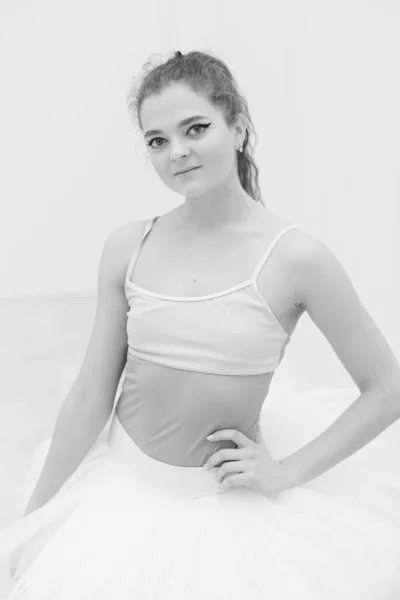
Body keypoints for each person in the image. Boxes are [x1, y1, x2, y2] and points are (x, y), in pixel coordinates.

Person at [1, 49, 400, 599]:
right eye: (157, 140)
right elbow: (92, 393)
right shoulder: (128, 246)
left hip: (223, 520)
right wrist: (36, 519)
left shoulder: (297, 258)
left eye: (196, 128)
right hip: (120, 498)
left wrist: (285, 472)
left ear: (237, 127)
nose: (177, 152)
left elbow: (387, 389)